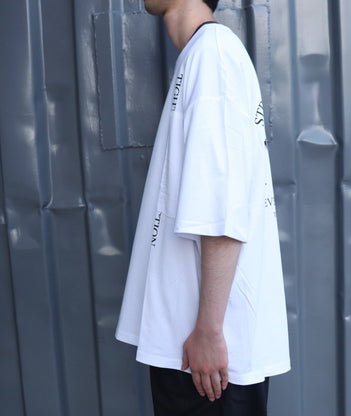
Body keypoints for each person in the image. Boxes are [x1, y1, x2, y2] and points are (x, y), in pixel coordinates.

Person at [114, 0, 291, 414]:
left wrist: (209, 330)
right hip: (197, 347)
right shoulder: (204, 54)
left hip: (207, 356)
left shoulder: (212, 56)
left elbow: (223, 208)